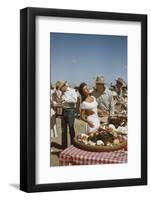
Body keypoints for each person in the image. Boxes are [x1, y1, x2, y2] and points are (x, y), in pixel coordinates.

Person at [57, 80, 77, 149]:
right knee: (63, 129)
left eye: (61, 88)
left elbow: (75, 100)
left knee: (71, 128)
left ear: (64, 85)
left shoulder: (72, 91)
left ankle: (73, 146)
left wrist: (65, 100)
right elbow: (60, 101)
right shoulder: (62, 93)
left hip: (71, 111)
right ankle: (64, 147)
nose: (60, 89)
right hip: (64, 111)